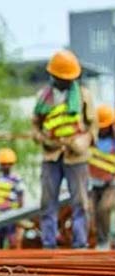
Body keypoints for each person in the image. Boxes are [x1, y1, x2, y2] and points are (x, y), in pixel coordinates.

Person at [32, 49, 96, 249]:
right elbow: (35, 125)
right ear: (55, 77)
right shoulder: (44, 98)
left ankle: (80, 243)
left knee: (80, 202)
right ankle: (48, 244)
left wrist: (85, 140)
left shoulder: (83, 95)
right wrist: (43, 138)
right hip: (51, 155)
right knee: (48, 203)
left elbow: (92, 125)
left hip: (76, 156)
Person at [88, 104, 115, 250]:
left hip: (111, 184)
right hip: (93, 184)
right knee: (91, 212)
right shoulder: (91, 139)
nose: (102, 129)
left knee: (104, 208)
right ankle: (99, 240)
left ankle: (105, 242)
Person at [0, 148, 24, 249]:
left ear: (12, 164)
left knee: (12, 239)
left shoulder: (16, 178)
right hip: (0, 214)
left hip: (11, 213)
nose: (6, 166)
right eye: (3, 164)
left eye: (8, 164)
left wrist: (20, 213)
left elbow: (21, 195)